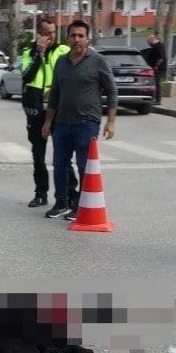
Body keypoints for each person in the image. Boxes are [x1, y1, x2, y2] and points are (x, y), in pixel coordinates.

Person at [41, 20, 118, 221]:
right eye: (73, 35)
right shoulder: (61, 62)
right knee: (60, 164)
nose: (77, 40)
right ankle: (61, 203)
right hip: (62, 123)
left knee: (85, 166)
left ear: (87, 38)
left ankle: (82, 205)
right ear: (67, 38)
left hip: (87, 123)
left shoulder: (98, 61)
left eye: (80, 36)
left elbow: (111, 91)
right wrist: (48, 122)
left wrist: (110, 122)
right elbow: (55, 94)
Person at [19, 17, 74, 207]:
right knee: (38, 156)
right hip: (36, 111)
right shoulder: (28, 52)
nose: (51, 36)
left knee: (63, 156)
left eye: (53, 31)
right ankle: (41, 193)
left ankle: (70, 195)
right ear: (39, 33)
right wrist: (38, 55)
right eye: (47, 32)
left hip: (58, 111)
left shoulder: (63, 51)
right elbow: (26, 77)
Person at [144, 35, 167, 103]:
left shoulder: (158, 46)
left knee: (157, 83)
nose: (148, 44)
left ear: (151, 40)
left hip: (157, 68)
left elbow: (161, 58)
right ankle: (155, 98)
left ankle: (157, 99)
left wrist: (156, 66)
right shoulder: (159, 46)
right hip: (156, 67)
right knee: (155, 83)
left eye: (148, 42)